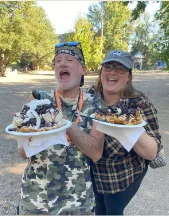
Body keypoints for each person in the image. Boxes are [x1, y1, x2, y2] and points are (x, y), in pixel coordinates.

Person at [18, 41, 104, 215]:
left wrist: (63, 123)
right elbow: (22, 152)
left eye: (70, 60)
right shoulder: (37, 99)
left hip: (78, 203)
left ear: (83, 69)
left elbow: (96, 153)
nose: (62, 64)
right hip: (36, 200)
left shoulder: (96, 104)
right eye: (58, 61)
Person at [87, 50, 161, 215]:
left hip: (123, 173)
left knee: (113, 211)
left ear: (129, 76)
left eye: (120, 69)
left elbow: (151, 152)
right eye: (108, 66)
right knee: (99, 211)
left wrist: (126, 123)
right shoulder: (90, 96)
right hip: (93, 170)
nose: (112, 72)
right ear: (101, 72)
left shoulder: (139, 104)